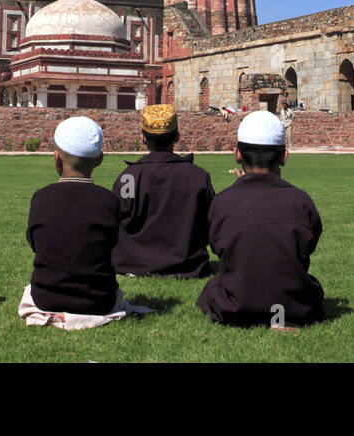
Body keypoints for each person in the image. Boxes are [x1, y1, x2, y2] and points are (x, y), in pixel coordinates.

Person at [196, 111, 325, 327]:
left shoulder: (222, 202)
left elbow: (218, 247)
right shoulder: (301, 201)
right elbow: (308, 245)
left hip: (236, 306)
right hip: (291, 305)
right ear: (284, 156)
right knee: (312, 286)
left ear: (237, 154)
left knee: (213, 288)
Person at [21, 116, 124, 320]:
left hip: (46, 297)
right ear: (100, 159)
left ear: (56, 158)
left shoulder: (42, 198)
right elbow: (112, 246)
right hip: (99, 299)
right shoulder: (109, 201)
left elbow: (36, 244)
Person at [112, 104, 215, 278]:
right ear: (177, 137)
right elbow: (208, 228)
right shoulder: (197, 176)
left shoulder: (128, 178)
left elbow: (117, 224)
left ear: (143, 138)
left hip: (135, 264)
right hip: (188, 264)